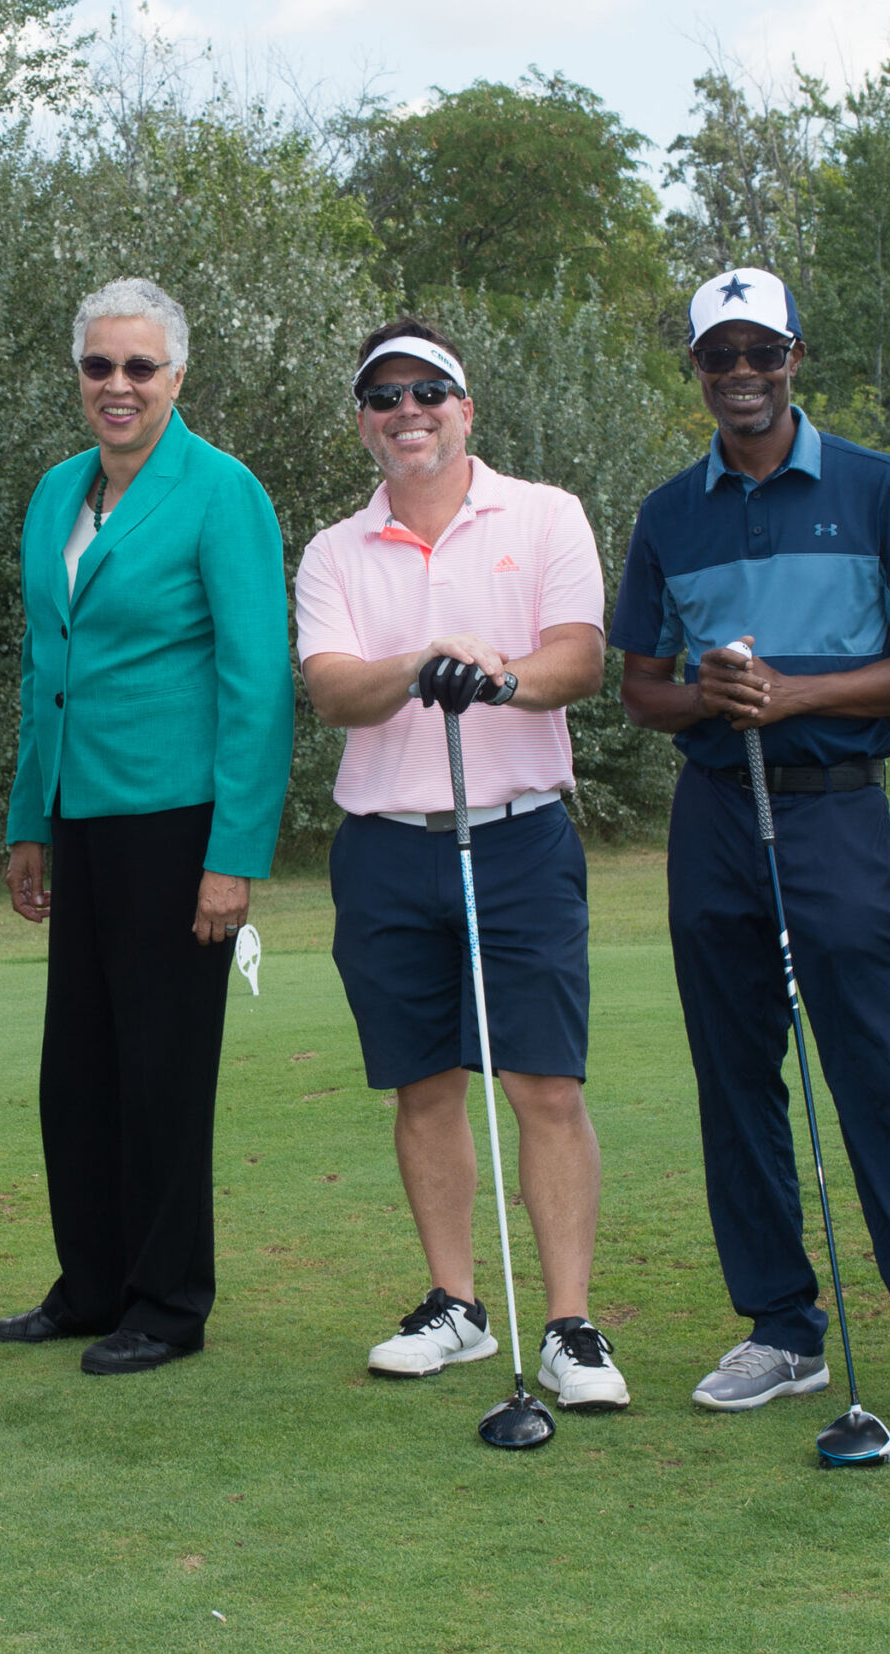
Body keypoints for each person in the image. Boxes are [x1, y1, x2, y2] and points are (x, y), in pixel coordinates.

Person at [611, 266, 890, 1452]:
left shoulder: (873, 487)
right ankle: (781, 1327)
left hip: (835, 811)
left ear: (794, 357)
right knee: (734, 1078)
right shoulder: (667, 513)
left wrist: (796, 696)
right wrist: (708, 695)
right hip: (716, 813)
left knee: (880, 1074)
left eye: (760, 352)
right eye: (717, 356)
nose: (741, 374)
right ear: (696, 369)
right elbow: (639, 689)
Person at [293, 319, 629, 1409]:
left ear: (465, 408)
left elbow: (578, 657)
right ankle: (457, 1306)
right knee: (425, 1085)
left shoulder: (544, 514)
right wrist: (419, 664)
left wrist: (497, 677)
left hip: (519, 837)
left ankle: (570, 1326)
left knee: (545, 1085)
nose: (408, 412)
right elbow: (334, 690)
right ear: (363, 422)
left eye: (428, 391)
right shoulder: (335, 551)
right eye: (384, 397)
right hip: (387, 850)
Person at [0, 277, 295, 1375]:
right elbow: (46, 666)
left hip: (178, 824)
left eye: (138, 366)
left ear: (176, 375)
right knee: (77, 1071)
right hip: (78, 817)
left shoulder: (223, 492)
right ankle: (91, 1286)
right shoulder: (56, 493)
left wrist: (233, 857)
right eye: (98, 365)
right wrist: (30, 817)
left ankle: (166, 1304)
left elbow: (258, 683)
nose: (116, 385)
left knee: (162, 1073)